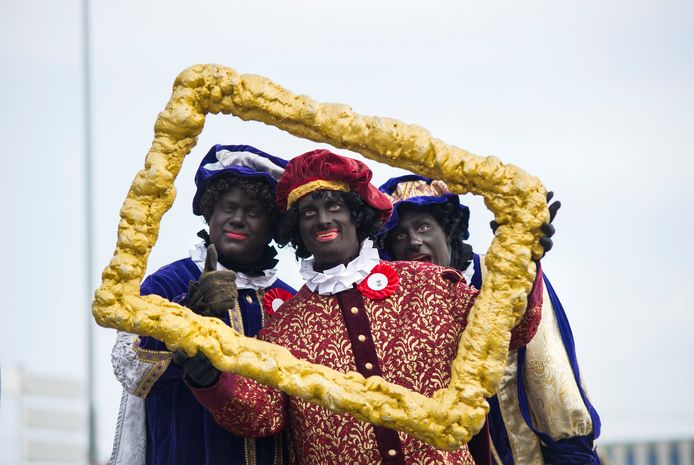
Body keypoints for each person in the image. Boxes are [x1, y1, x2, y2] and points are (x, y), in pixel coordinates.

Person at [181, 149, 545, 465]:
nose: (323, 219)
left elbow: (511, 330)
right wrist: (209, 377)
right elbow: (263, 417)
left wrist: (522, 259)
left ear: (356, 215)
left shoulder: (431, 284)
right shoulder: (284, 325)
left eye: (334, 206)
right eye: (308, 213)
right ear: (297, 231)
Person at [376, 175, 602, 465]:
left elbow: (550, 372)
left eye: (423, 227)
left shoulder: (499, 275)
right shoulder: (394, 305)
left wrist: (522, 261)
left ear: (447, 231)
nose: (413, 241)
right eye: (400, 235)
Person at [109, 144, 296, 465]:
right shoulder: (169, 282)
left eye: (252, 211)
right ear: (210, 212)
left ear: (272, 225)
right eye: (227, 207)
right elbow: (130, 369)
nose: (237, 219)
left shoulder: (290, 298)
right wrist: (187, 320)